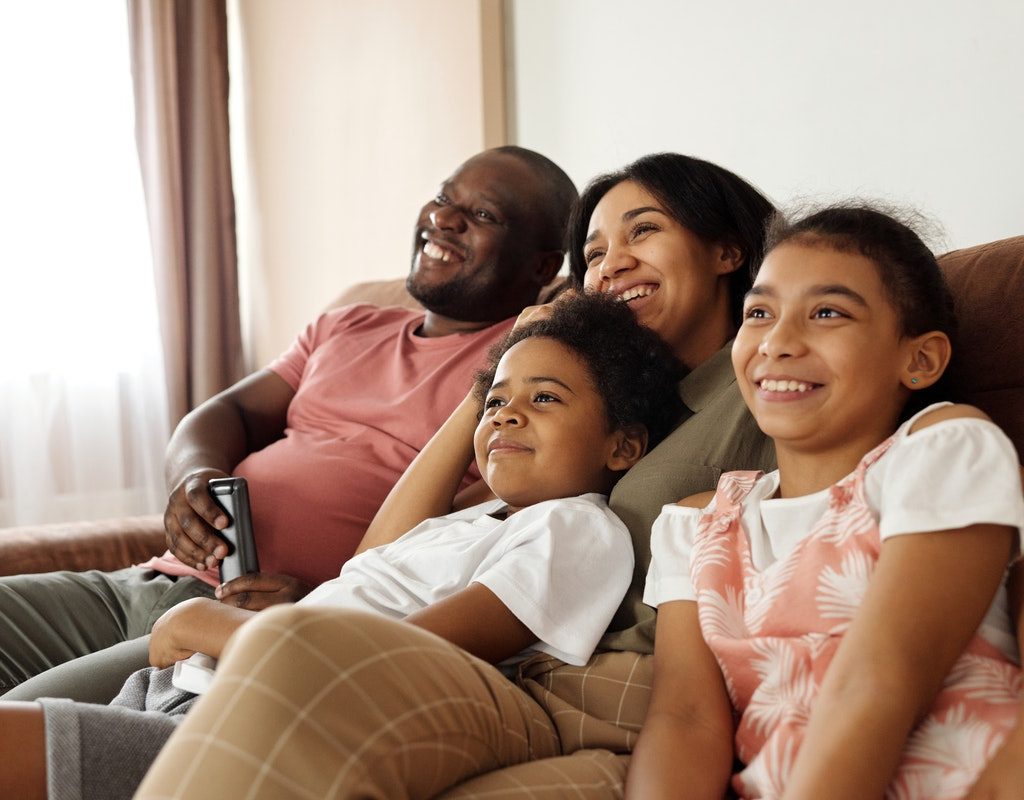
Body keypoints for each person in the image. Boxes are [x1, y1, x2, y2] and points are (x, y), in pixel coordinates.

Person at [127, 153, 782, 799]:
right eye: (595, 253)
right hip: (295, 646)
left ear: (727, 251)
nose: (611, 265)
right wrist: (493, 382)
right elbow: (382, 555)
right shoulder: (597, 412)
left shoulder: (756, 380)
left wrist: (207, 624)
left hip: (558, 683)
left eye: (643, 231)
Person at [0, 292, 685, 800]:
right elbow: (370, 561)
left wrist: (217, 626)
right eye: (495, 400)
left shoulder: (575, 529)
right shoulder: (475, 521)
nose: (505, 413)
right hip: (198, 686)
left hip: (262, 717)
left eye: (544, 400)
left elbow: (399, 659)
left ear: (621, 444)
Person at [0, 145, 578, 704]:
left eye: (480, 214)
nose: (443, 219)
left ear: (542, 266)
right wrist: (192, 475)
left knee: (23, 731)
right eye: (442, 198)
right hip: (154, 583)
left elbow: (464, 540)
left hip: (250, 623)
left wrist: (332, 605)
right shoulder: (347, 325)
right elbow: (225, 414)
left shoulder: (517, 375)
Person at [630, 205, 1024, 798]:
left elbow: (880, 680)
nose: (778, 342)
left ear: (920, 359)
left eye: (827, 313)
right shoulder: (692, 524)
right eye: (759, 313)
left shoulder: (944, 449)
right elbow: (684, 719)